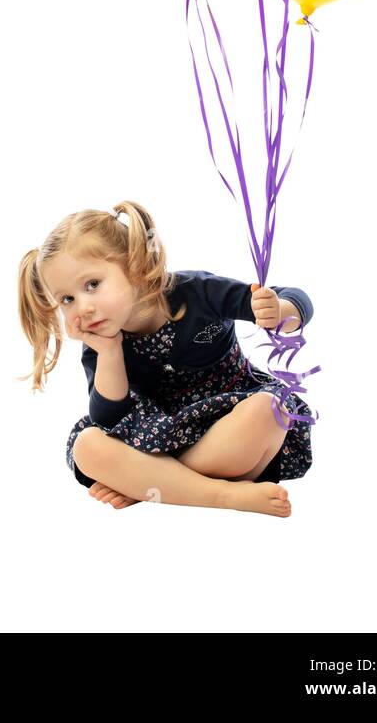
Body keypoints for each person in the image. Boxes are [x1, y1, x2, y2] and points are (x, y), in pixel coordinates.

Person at [18, 200, 316, 518]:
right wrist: (109, 352)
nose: (83, 307)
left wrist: (279, 311)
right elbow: (108, 418)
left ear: (136, 266)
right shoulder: (100, 341)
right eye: (67, 299)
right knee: (88, 446)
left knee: (272, 409)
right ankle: (222, 494)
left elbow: (298, 299)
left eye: (93, 285)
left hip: (227, 421)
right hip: (154, 435)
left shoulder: (196, 291)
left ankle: (154, 483)